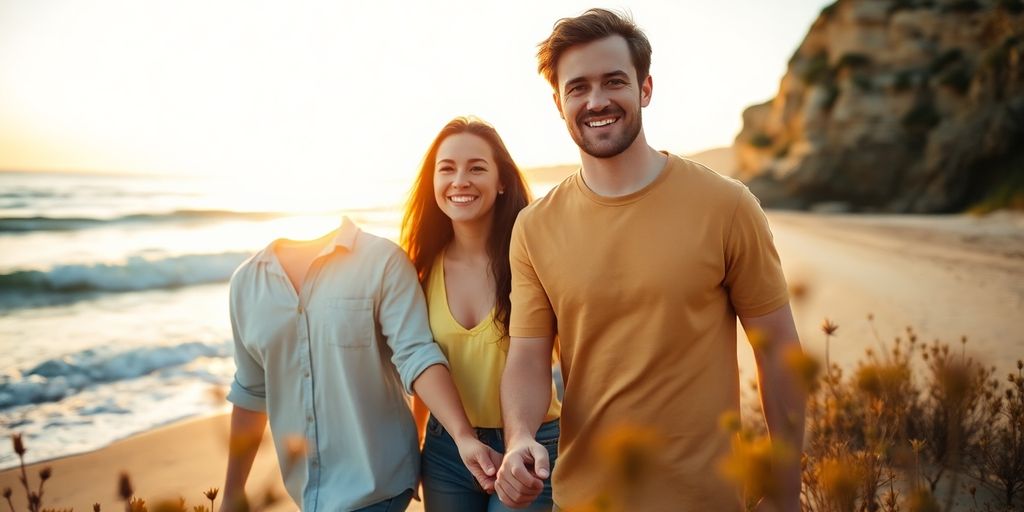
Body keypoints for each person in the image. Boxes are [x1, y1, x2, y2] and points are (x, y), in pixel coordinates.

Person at [496, 9, 806, 512]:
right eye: (578, 88)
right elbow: (529, 358)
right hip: (584, 500)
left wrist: (787, 491)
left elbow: (779, 354)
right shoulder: (534, 227)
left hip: (707, 499)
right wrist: (518, 437)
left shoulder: (726, 205)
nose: (596, 101)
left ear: (645, 88)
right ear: (558, 102)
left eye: (614, 81)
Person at [222, 217, 501, 511]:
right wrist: (231, 496)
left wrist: (462, 435)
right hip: (308, 495)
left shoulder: (383, 261)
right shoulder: (246, 281)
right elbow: (251, 393)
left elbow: (416, 354)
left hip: (378, 486)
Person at [402, 116, 563, 512]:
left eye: (476, 168)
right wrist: (416, 446)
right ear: (433, 183)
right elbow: (422, 360)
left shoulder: (533, 259)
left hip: (532, 447)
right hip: (447, 451)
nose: (460, 180)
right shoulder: (420, 269)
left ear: (501, 180)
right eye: (447, 169)